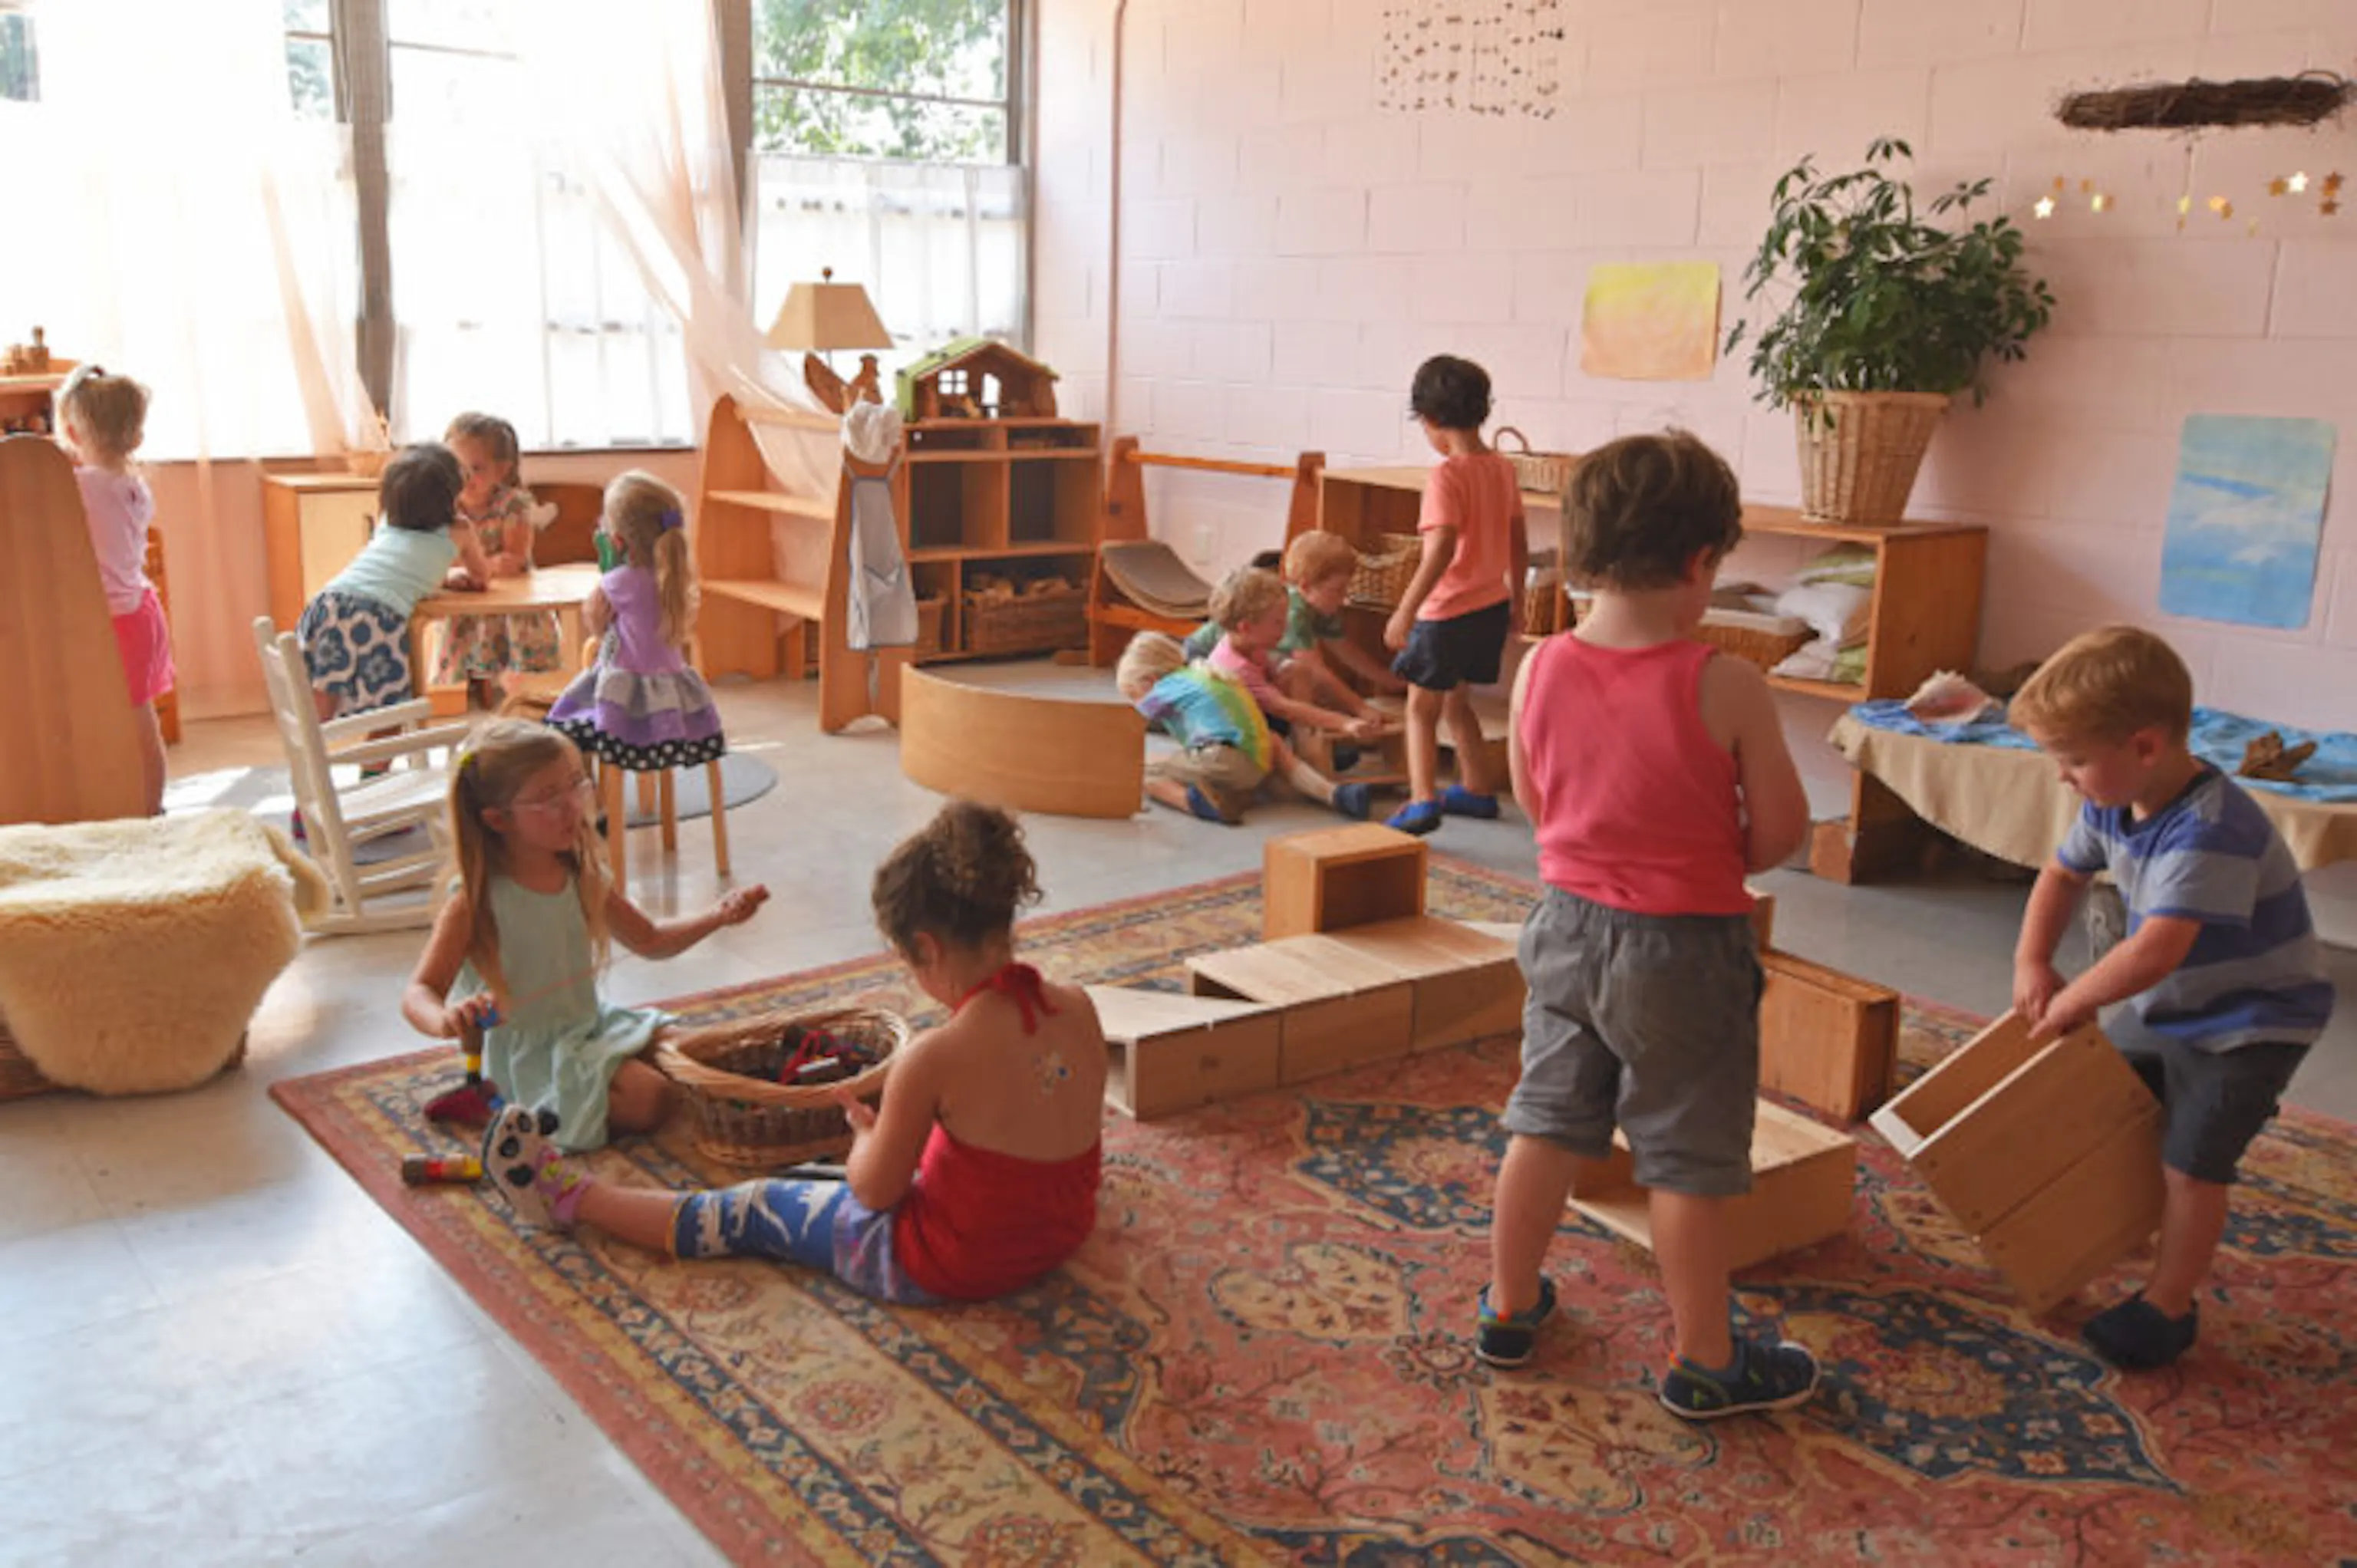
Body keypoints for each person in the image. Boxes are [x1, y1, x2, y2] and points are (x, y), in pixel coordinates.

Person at [1486, 430, 1818, 1421]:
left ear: (1582, 549)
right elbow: (1781, 835)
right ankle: (1707, 1360)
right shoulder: (1727, 682)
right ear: (1701, 562)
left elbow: (1534, 800)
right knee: (1684, 1157)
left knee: (1545, 1120)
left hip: (1564, 927)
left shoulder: (1540, 664)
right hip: (1686, 950)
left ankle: (1508, 1305)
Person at [481, 800, 1109, 1309]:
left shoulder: (935, 1057)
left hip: (952, 1264)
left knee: (755, 1206)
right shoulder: (1078, 1005)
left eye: (907, 962)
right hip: (1058, 1234)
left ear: (928, 948)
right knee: (834, 1178)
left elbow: (875, 1193)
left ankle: (569, 1195)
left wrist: (866, 1138)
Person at [2009, 624, 2333, 1371]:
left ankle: (2170, 1304)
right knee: (2109, 1105)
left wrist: (2073, 999)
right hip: (2173, 1005)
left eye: (2074, 760)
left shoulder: (2212, 829)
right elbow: (2062, 875)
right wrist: (2032, 959)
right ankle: (2119, 1225)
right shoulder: (2112, 799)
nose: (2063, 777)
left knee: (2192, 1162)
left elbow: (2157, 948)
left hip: (2250, 1024)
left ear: (2146, 747)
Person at [401, 719, 769, 1150]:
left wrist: (717, 916)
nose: (572, 806)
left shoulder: (582, 877)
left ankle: (582, 1086)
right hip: (531, 1056)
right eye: (547, 798)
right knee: (650, 1097)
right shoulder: (473, 902)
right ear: (498, 819)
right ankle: (491, 1102)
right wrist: (446, 1019)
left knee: (699, 1053)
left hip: (589, 1027)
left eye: (575, 785)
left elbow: (650, 940)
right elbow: (419, 991)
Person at [1383, 354, 1529, 836]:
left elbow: (1441, 548)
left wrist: (1405, 610)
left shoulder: (1446, 477)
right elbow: (1519, 541)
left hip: (1445, 613)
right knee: (1457, 702)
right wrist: (1518, 601)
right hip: (1489, 607)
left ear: (1429, 419)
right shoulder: (1502, 469)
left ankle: (1422, 799)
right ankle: (1478, 789)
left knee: (1419, 709)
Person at [543, 470, 726, 773]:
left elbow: (595, 623)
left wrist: (607, 571)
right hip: (674, 698)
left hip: (625, 698)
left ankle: (593, 790)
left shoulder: (619, 582)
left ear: (617, 541)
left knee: (567, 723)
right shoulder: (676, 579)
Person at [298, 442, 494, 722]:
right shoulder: (460, 529)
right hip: (376, 615)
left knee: (324, 695)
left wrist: (442, 578)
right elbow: (481, 576)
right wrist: (455, 577)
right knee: (392, 710)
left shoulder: (387, 521)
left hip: (328, 602)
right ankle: (380, 753)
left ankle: (313, 744)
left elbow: (398, 565)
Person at [55, 364, 170, 815]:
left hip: (112, 622)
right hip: (140, 612)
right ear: (136, 437)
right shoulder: (133, 486)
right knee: (140, 718)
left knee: (111, 720)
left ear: (70, 433)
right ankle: (151, 806)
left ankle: (134, 806)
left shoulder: (81, 486)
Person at [1117, 631, 1372, 825]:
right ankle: (1334, 793)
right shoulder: (1204, 673)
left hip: (1224, 760)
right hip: (1258, 763)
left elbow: (1125, 722)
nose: (1137, 701)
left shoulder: (1166, 687)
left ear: (1150, 680)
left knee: (1139, 771)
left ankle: (1193, 803)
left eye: (1134, 694)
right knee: (1270, 740)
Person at [1183, 529, 1406, 716]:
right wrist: (1359, 708)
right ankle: (1304, 733)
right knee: (1295, 676)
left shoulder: (1322, 607)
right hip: (1207, 652)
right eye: (1337, 590)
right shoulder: (1293, 611)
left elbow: (1346, 650)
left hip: (1253, 657)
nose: (1344, 598)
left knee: (1293, 675)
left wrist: (1388, 679)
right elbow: (1315, 669)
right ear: (1306, 587)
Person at [430, 412, 563, 710]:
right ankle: (468, 697)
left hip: (510, 601)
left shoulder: (512, 504)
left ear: (501, 470)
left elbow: (513, 560)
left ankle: (519, 699)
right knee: (456, 647)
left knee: (517, 669)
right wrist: (467, 571)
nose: (466, 478)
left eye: (476, 468)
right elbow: (441, 558)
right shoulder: (446, 507)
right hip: (469, 600)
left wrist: (473, 569)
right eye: (457, 468)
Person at [1200, 565, 1386, 747]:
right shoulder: (1237, 669)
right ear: (1246, 627)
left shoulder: (1250, 644)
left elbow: (1286, 677)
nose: (1286, 627)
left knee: (1296, 670)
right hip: (1238, 734)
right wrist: (1344, 723)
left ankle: (1307, 738)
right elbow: (1285, 708)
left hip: (1259, 712)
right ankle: (1306, 747)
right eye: (1278, 622)